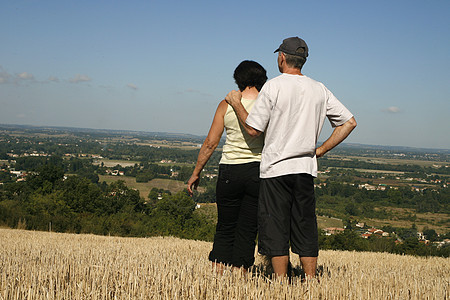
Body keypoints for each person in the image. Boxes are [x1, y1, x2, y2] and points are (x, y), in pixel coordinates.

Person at [225, 37, 357, 279]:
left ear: (282, 58)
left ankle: (281, 282)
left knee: (275, 226)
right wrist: (321, 149)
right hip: (305, 168)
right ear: (303, 61)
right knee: (305, 224)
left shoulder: (273, 87)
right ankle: (311, 279)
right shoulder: (319, 88)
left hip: (275, 168)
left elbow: (254, 129)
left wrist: (236, 104)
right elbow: (349, 123)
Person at [187, 60, 267, 273]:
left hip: (230, 170)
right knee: (248, 229)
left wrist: (196, 172)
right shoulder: (267, 105)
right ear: (262, 79)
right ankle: (240, 276)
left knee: (225, 226)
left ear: (238, 79)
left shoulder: (226, 105)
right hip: (257, 172)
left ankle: (217, 274)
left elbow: (210, 143)